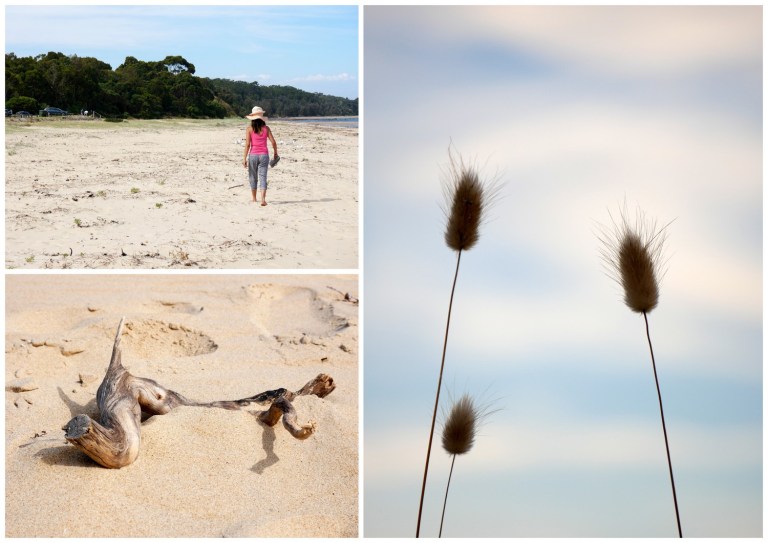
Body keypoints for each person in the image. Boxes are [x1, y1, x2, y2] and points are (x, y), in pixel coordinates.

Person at [242, 106, 278, 206]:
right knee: (263, 177)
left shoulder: (249, 129)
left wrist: (244, 158)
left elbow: (248, 145)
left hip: (253, 155)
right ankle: (263, 199)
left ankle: (254, 199)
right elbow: (273, 142)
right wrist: (275, 153)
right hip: (264, 155)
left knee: (252, 177)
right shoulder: (266, 128)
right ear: (262, 117)